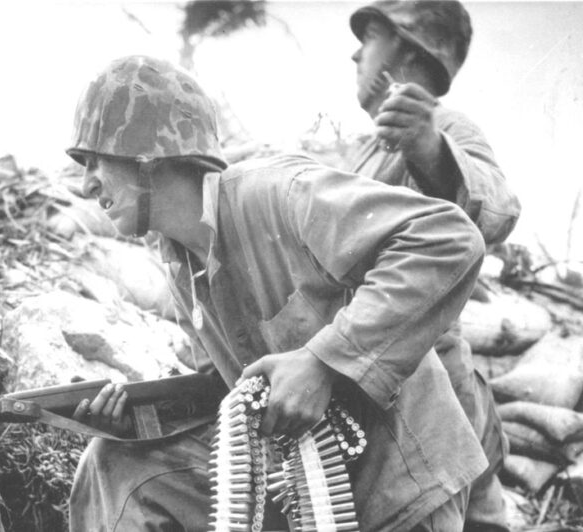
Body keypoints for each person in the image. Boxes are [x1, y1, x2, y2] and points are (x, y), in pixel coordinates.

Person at [65, 54, 490, 531]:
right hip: (305, 494)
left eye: (94, 161)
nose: (86, 185)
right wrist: (143, 421)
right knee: (114, 463)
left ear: (144, 152)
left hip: (400, 488)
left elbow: (448, 238)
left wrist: (323, 361)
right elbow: (230, 396)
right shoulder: (181, 264)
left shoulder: (277, 194)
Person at [346, 2, 521, 530]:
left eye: (370, 36)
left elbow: (498, 206)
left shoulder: (446, 127)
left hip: (432, 394)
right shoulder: (363, 150)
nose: (355, 51)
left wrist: (431, 149)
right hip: (372, 384)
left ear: (403, 47)